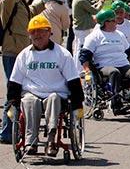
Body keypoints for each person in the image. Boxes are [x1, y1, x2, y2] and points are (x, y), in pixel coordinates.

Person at [6, 15, 84, 156]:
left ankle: (51, 139)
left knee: (53, 98)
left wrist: (78, 105)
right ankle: (31, 142)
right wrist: (12, 103)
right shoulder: (24, 55)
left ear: (49, 32)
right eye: (33, 32)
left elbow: (73, 80)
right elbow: (14, 82)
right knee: (29, 100)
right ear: (29, 35)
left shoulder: (62, 54)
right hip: (31, 92)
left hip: (57, 93)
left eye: (41, 31)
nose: (38, 35)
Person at [0, 0, 46, 143]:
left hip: (23, 53)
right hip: (12, 52)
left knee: (23, 92)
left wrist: (45, 0)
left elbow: (32, 13)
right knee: (13, 92)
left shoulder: (22, 4)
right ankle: (6, 131)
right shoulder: (8, 3)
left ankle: (16, 128)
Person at [79, 9, 130, 115]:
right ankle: (116, 105)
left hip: (123, 64)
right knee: (114, 72)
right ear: (105, 22)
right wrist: (87, 70)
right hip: (104, 65)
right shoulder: (94, 36)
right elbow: (84, 55)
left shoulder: (119, 34)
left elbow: (128, 51)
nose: (116, 22)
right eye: (113, 20)